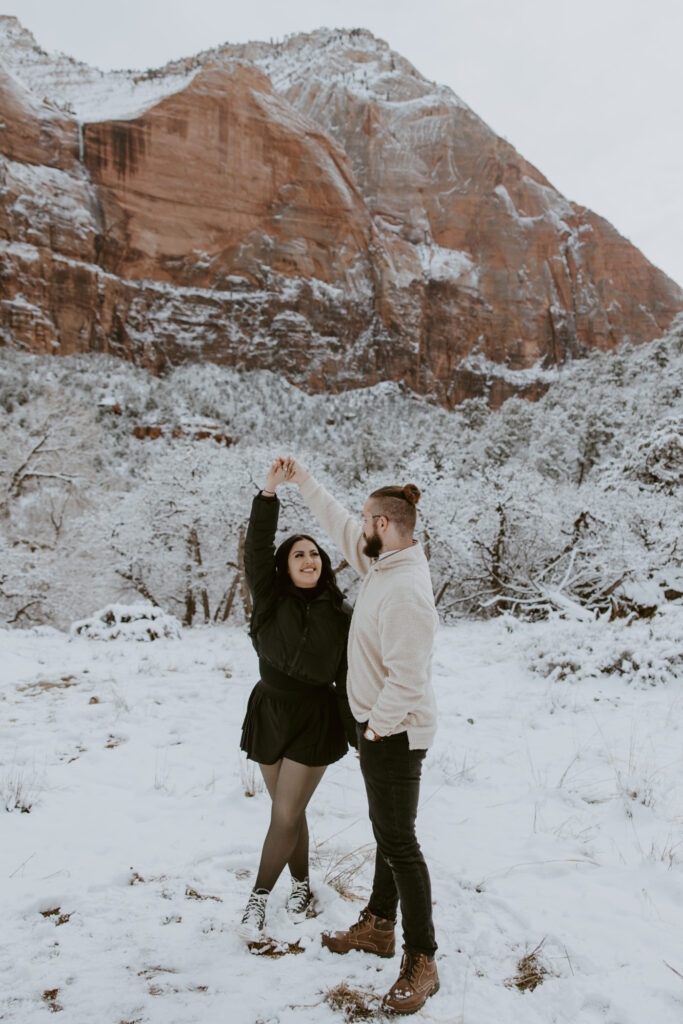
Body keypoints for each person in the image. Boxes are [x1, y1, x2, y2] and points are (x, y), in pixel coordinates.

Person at [282, 457, 440, 1015]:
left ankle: (422, 958)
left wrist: (374, 727)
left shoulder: (404, 592)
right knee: (387, 829)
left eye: (367, 519)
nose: (358, 526)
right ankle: (378, 925)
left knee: (400, 842)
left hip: (392, 734)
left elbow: (409, 678)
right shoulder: (382, 563)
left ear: (384, 526)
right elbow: (338, 522)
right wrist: (301, 480)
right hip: (377, 728)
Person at [238, 459, 355, 943]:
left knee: (284, 813)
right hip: (269, 709)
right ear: (285, 566)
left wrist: (361, 729)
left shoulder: (342, 612)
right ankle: (303, 886)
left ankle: (256, 901)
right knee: (291, 811)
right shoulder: (268, 597)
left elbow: (351, 678)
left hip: (314, 716)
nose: (309, 559)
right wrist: (270, 490)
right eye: (299, 555)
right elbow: (256, 546)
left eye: (315, 554)